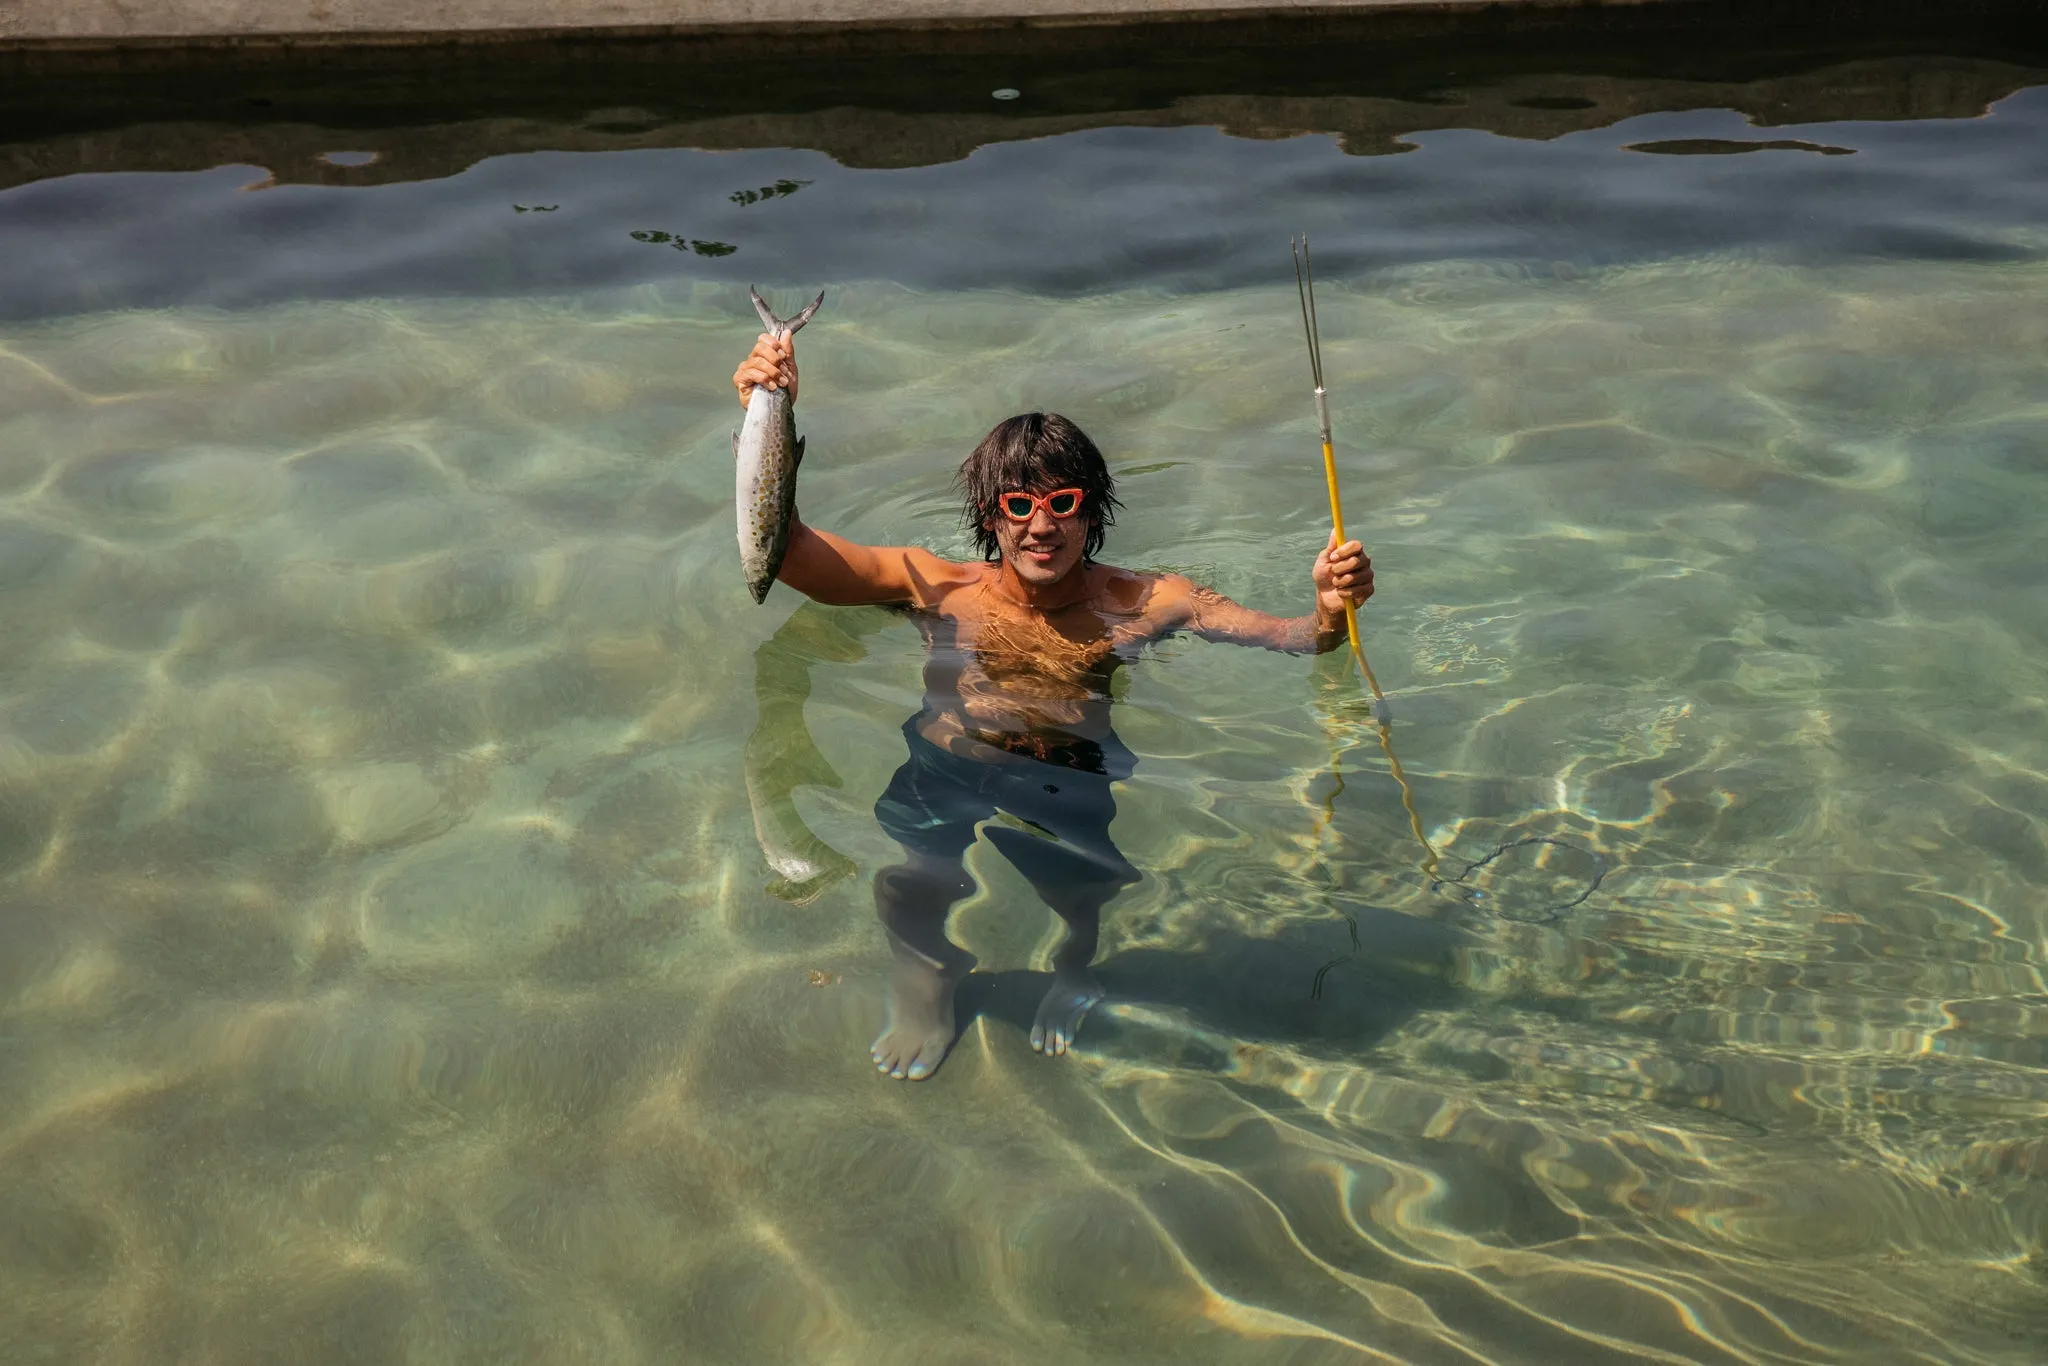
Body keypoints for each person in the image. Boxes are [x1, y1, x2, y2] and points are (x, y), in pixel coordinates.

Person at [732, 329, 1373, 1081]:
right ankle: (930, 978)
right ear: (991, 513)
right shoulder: (935, 584)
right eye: (1020, 504)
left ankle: (1075, 971)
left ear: (1091, 510)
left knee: (1080, 896)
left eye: (1064, 504)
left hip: (1068, 772)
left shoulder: (1149, 601)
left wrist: (1330, 611)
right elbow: (791, 551)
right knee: (907, 887)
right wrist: (764, 418)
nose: (1043, 526)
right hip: (947, 758)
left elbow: (1292, 640)